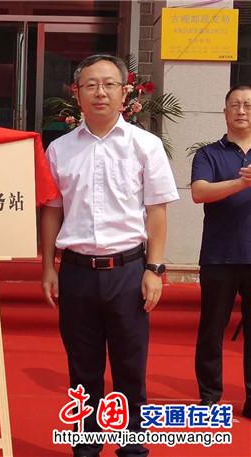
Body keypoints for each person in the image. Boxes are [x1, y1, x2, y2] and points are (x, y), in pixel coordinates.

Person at [41, 54, 179, 457]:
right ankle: (85, 449)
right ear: (77, 93)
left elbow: (157, 211)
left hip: (128, 271)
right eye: (90, 85)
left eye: (108, 84)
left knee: (130, 368)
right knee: (82, 371)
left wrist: (154, 268)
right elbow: (52, 211)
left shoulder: (145, 145)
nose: (99, 92)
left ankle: (133, 449)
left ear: (124, 92)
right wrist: (47, 265)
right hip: (77, 272)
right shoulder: (59, 149)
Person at [191, 84, 251, 419]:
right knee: (211, 330)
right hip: (219, 255)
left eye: (248, 105)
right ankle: (210, 397)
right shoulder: (208, 154)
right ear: (225, 112)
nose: (241, 111)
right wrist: (242, 183)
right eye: (235, 105)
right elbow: (199, 192)